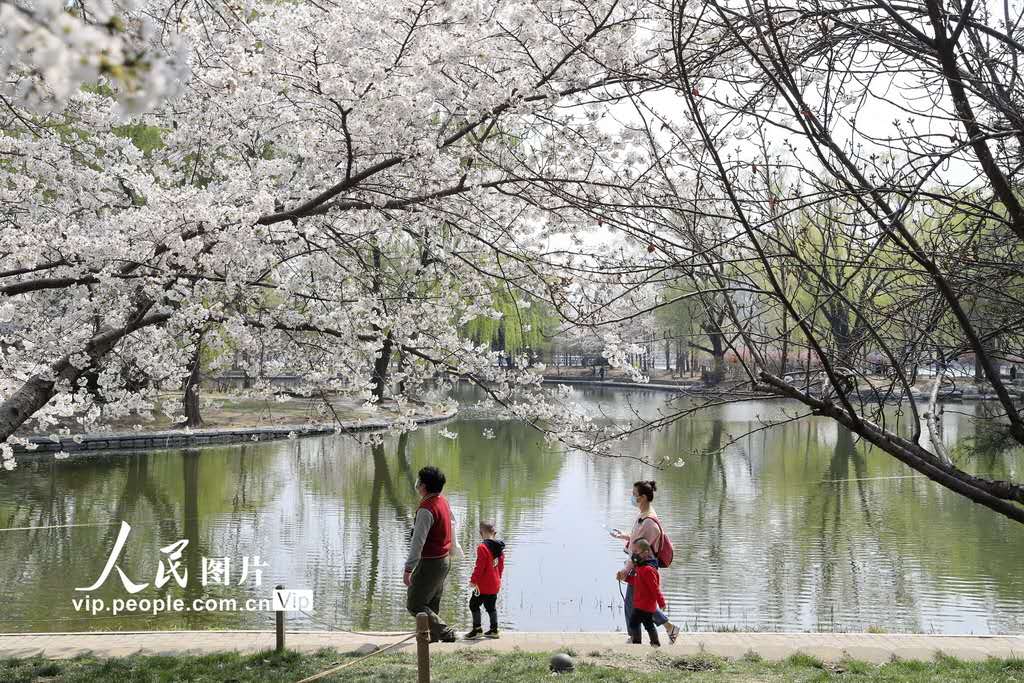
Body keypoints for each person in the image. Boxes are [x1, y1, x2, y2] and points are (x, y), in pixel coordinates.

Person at [611, 480, 680, 644]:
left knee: (633, 602)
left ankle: (637, 636)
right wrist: (624, 535)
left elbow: (639, 552)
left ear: (642, 497)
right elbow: (637, 539)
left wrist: (625, 571)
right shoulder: (643, 515)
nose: (632, 497)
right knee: (637, 602)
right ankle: (668, 629)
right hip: (639, 567)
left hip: (644, 568)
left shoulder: (649, 522)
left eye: (634, 495)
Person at [405, 466, 458, 642]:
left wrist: (408, 568)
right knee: (431, 603)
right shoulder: (443, 501)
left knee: (415, 604)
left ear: (424, 486)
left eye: (419, 481)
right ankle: (432, 637)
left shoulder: (426, 509)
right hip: (444, 560)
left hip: (430, 563)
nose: (417, 484)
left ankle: (445, 632)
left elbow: (417, 542)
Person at [464, 520, 505, 639]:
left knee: (473, 605)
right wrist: (497, 578)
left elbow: (479, 567)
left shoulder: (482, 547)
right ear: (495, 533)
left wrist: (473, 581)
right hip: (495, 584)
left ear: (480, 533)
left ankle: (477, 630)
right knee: (491, 607)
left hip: (483, 586)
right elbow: (501, 567)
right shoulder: (500, 548)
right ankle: (494, 630)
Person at [623, 538, 665, 646]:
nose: (634, 555)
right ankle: (655, 643)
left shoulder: (648, 570)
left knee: (633, 623)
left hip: (645, 605)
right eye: (633, 552)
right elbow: (636, 581)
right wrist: (624, 578)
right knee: (648, 624)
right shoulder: (640, 568)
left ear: (646, 553)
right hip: (641, 604)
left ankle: (637, 643)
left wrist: (661, 603)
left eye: (637, 552)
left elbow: (655, 588)